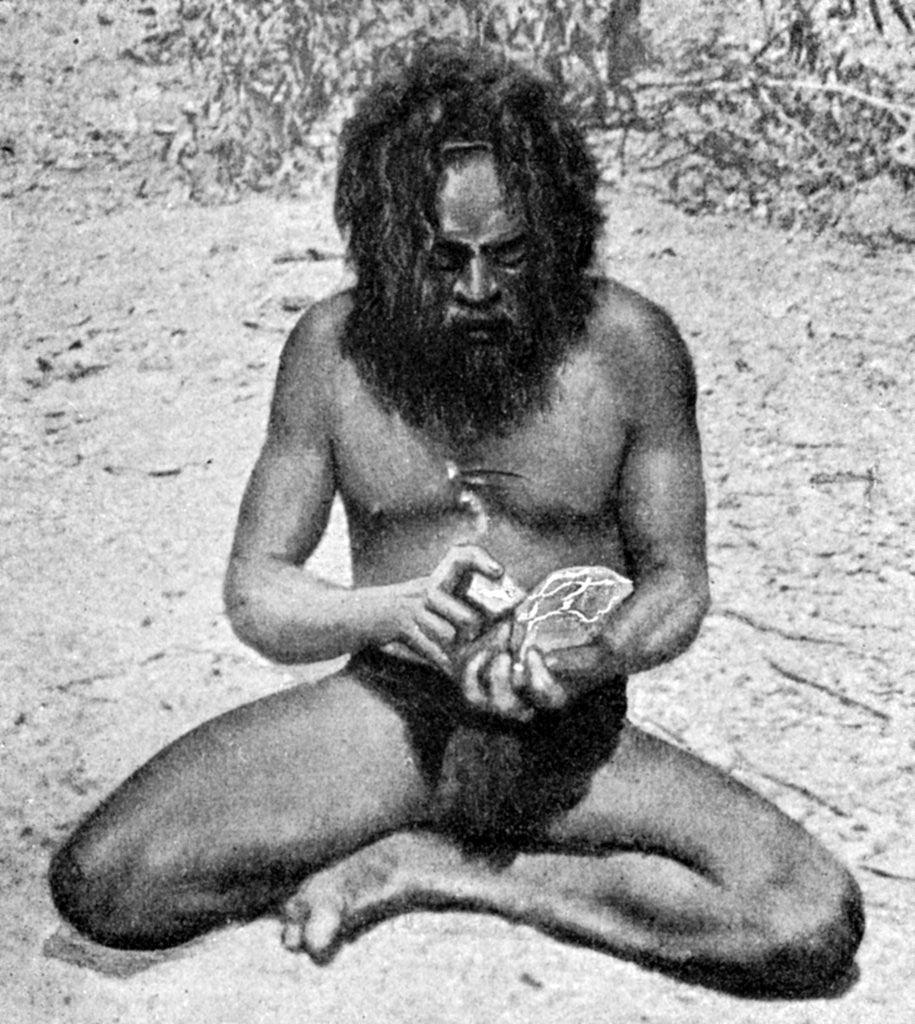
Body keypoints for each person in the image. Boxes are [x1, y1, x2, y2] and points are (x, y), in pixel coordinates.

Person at [49, 42, 863, 996]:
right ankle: (402, 832)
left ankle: (434, 870)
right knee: (107, 883)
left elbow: (676, 583)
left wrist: (591, 659)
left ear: (555, 236)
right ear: (390, 244)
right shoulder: (330, 351)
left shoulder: (631, 347)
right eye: (444, 262)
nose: (478, 291)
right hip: (390, 717)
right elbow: (257, 590)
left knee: (805, 917)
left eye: (509, 258)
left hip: (566, 742)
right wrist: (390, 614)